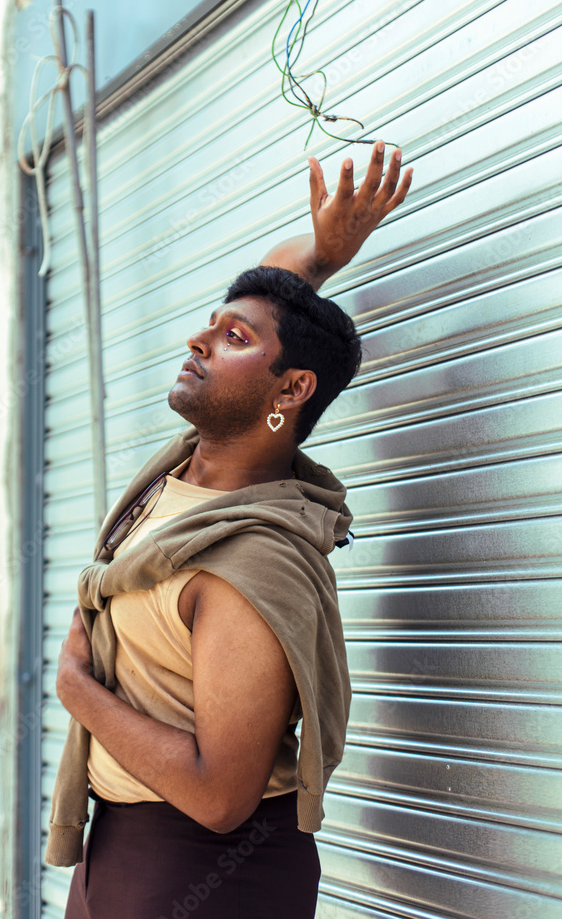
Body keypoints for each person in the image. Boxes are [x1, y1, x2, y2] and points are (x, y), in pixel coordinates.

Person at [54, 142, 413, 919]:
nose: (199, 341)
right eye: (210, 327)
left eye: (232, 340)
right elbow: (272, 300)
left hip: (201, 870)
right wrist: (318, 255)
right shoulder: (188, 470)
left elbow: (220, 796)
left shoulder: (251, 561)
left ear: (290, 391)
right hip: (119, 847)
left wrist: (76, 690)